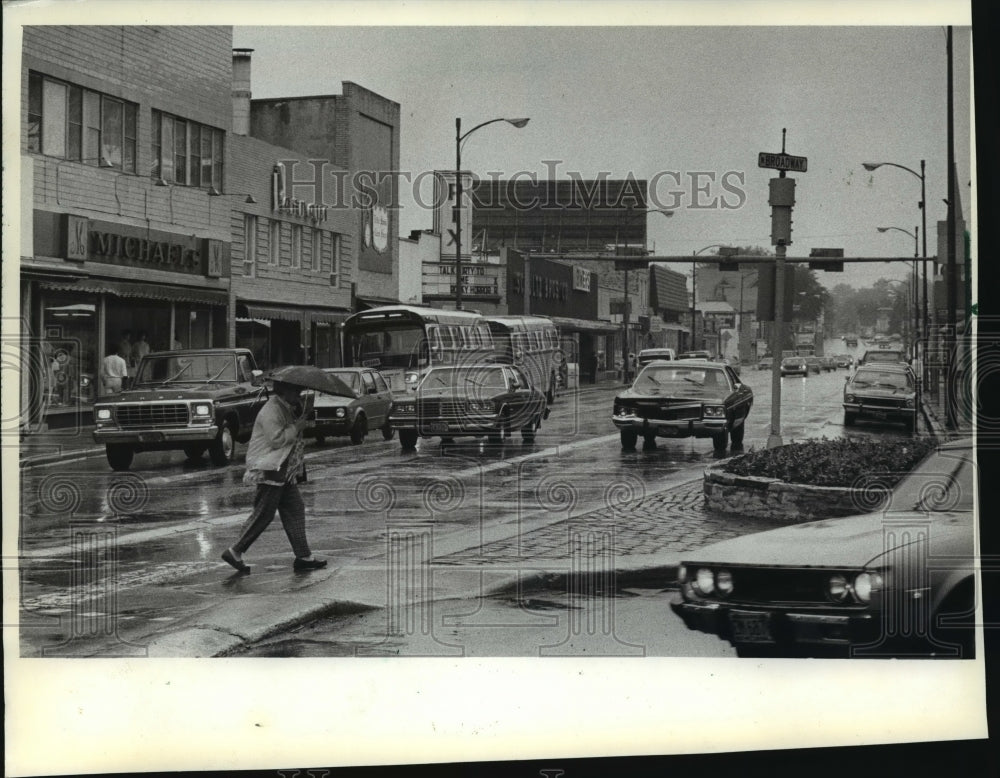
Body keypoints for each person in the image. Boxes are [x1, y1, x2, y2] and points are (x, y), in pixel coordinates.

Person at [221, 380, 325, 574]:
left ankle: (303, 556)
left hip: (282, 469)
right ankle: (235, 550)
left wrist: (303, 415)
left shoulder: (285, 407)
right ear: (285, 391)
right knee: (264, 513)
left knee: (295, 508)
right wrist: (297, 426)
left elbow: (293, 432)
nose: (299, 395)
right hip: (269, 467)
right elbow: (276, 440)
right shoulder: (271, 410)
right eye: (296, 391)